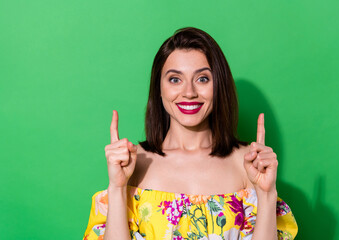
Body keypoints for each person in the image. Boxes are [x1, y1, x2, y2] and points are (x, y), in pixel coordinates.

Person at [83, 27, 298, 240]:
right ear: (159, 88)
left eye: (202, 79)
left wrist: (267, 194)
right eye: (175, 79)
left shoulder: (249, 165)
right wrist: (118, 188)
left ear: (219, 85)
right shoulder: (132, 164)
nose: (189, 92)